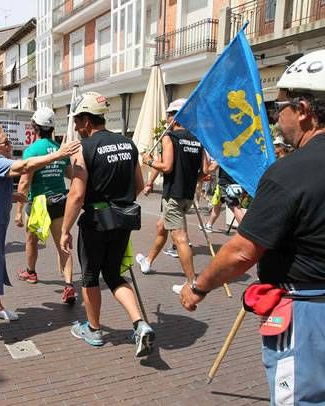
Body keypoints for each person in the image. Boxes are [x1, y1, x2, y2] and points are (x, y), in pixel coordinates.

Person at [180, 50, 325, 404]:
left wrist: (199, 286)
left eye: (280, 107)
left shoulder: (291, 172)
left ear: (303, 110)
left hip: (308, 312)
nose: (276, 118)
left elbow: (241, 252)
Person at [58, 92, 154, 356]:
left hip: (95, 223)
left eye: (77, 121)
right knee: (113, 275)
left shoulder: (84, 149)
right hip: (123, 220)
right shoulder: (128, 144)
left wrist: (65, 230)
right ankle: (140, 324)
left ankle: (94, 328)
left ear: (87, 121)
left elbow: (76, 195)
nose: (76, 127)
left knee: (90, 277)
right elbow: (137, 186)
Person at [0, 124, 80, 338]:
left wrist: (12, 197)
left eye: (9, 141)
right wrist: (58, 155)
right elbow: (25, 166)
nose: (10, 145)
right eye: (5, 142)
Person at [136, 98, 207, 295]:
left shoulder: (170, 138)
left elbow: (166, 166)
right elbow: (205, 171)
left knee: (180, 239)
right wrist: (190, 178)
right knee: (161, 226)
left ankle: (192, 284)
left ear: (175, 117)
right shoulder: (197, 139)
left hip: (173, 196)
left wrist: (149, 162)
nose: (166, 119)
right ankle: (148, 261)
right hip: (187, 196)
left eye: (168, 115)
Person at [14, 107, 76, 304]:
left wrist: (17, 211)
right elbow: (69, 174)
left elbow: (24, 183)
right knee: (62, 244)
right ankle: (68, 284)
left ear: (35, 127)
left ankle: (31, 272)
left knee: (31, 240)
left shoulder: (31, 151)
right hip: (59, 201)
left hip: (38, 203)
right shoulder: (60, 148)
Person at [200, 165, 245, 233]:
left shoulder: (224, 154)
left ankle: (246, 231)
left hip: (226, 183)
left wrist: (201, 174)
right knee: (217, 204)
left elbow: (213, 167)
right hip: (232, 182)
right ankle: (209, 225)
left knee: (235, 207)